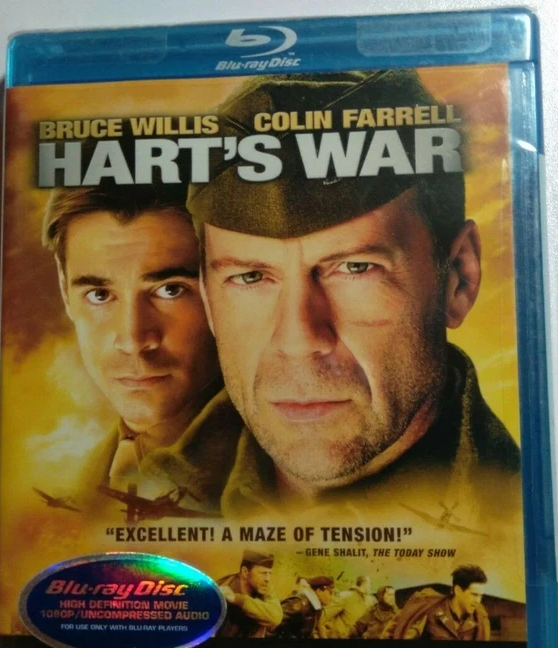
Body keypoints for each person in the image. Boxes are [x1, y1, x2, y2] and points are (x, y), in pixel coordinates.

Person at [186, 70, 520, 519]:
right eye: (249, 277)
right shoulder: (118, 499)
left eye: (355, 268)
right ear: (208, 300)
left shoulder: (520, 522)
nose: (299, 340)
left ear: (457, 279)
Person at [42, 172, 242, 512]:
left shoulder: (276, 483)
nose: (133, 340)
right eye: (99, 295)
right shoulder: (81, 480)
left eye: (170, 290)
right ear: (65, 291)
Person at [387, 565, 490, 641]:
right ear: (458, 590)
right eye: (474, 595)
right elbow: (392, 632)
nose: (478, 601)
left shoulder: (480, 619)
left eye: (480, 596)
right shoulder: (428, 608)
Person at [215, 550, 283, 638]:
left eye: (270, 573)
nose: (268, 579)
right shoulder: (223, 588)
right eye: (264, 573)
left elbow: (276, 617)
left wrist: (237, 599)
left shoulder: (264, 587)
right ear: (245, 572)